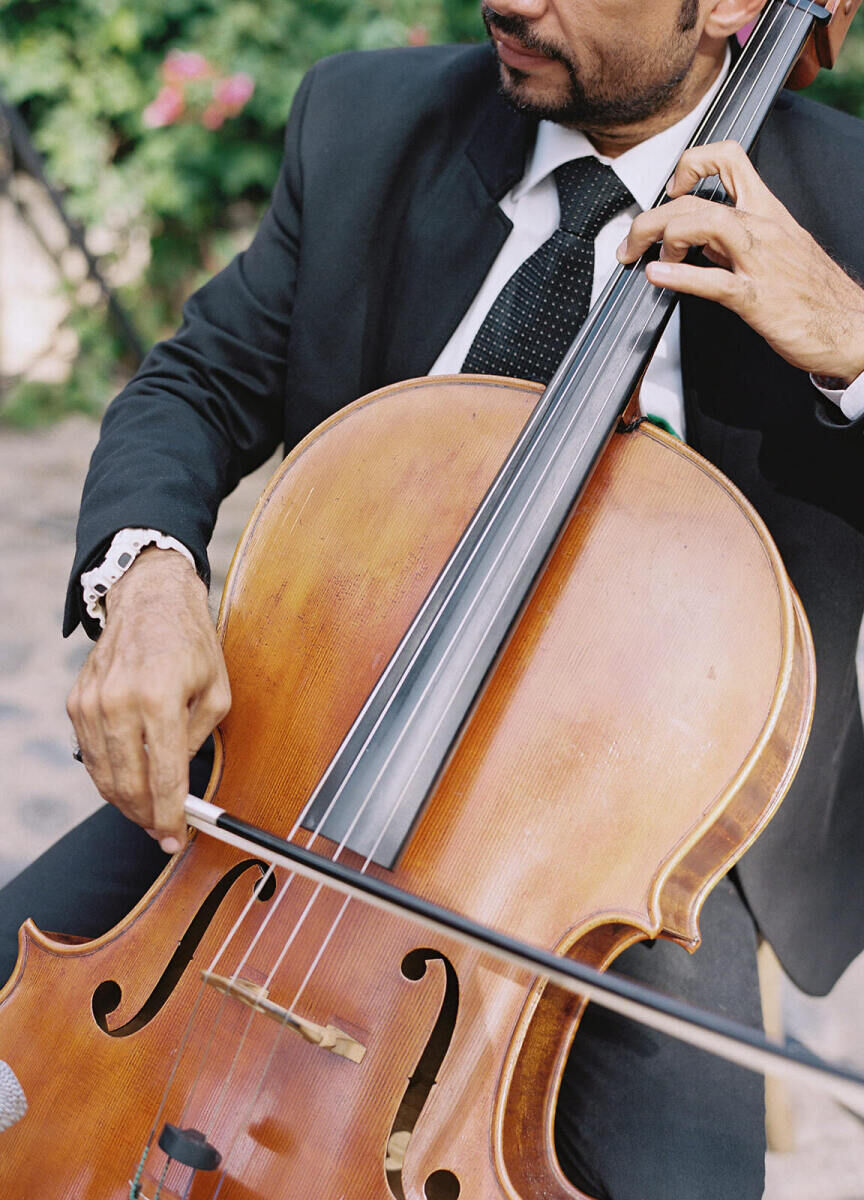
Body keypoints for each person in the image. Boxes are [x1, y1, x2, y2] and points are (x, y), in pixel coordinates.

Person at [2, 0, 864, 1196]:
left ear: (724, 9)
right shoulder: (366, 120)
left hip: (614, 856)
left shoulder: (854, 207)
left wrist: (857, 344)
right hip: (296, 782)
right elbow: (194, 385)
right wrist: (147, 579)